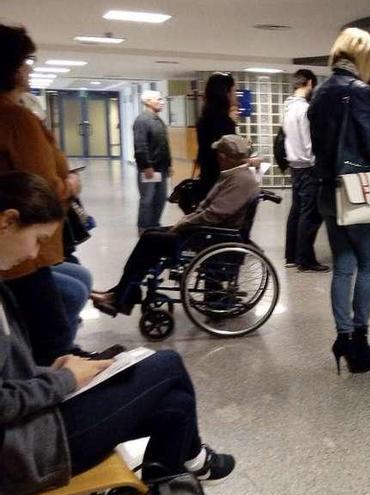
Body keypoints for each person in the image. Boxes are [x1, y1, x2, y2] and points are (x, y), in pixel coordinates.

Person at [0, 171, 235, 495]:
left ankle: (165, 479)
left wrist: (52, 371)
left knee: (176, 403)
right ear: (7, 221)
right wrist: (65, 381)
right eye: (38, 239)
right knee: (166, 364)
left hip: (32, 427)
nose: (33, 254)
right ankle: (190, 462)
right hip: (23, 455)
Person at [0, 23, 91, 366]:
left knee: (77, 280)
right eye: (24, 62)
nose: (27, 69)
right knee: (52, 330)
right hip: (21, 248)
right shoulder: (15, 119)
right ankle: (59, 370)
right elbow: (42, 188)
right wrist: (69, 185)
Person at [91, 135, 260, 316]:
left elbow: (216, 214)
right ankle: (122, 293)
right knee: (151, 234)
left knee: (150, 239)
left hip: (211, 237)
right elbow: (210, 210)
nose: (217, 157)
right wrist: (188, 220)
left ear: (224, 157)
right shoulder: (234, 175)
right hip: (206, 232)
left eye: (219, 154)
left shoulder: (241, 180)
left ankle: (123, 296)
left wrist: (186, 222)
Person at [308, 27, 370, 374]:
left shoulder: (320, 93)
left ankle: (342, 336)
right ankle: (358, 341)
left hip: (327, 190)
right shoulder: (359, 91)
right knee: (367, 266)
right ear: (362, 56)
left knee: (343, 266)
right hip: (358, 190)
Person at [283, 69, 329, 273]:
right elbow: (309, 143)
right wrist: (318, 165)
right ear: (310, 83)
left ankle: (291, 255)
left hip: (294, 166)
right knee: (309, 214)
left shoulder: (287, 107)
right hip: (308, 167)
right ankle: (305, 258)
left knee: (296, 211)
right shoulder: (304, 110)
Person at [195, 72, 238, 204]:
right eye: (233, 91)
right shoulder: (224, 122)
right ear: (225, 93)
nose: (235, 96)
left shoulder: (204, 119)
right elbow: (227, 154)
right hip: (222, 183)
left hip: (207, 178)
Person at [133, 90, 172, 234]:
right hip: (150, 169)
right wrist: (146, 166)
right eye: (159, 99)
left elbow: (163, 144)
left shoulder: (158, 120)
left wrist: (169, 165)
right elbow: (140, 145)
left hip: (161, 168)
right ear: (148, 101)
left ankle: (155, 226)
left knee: (160, 199)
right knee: (147, 200)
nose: (162, 102)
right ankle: (143, 228)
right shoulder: (142, 121)